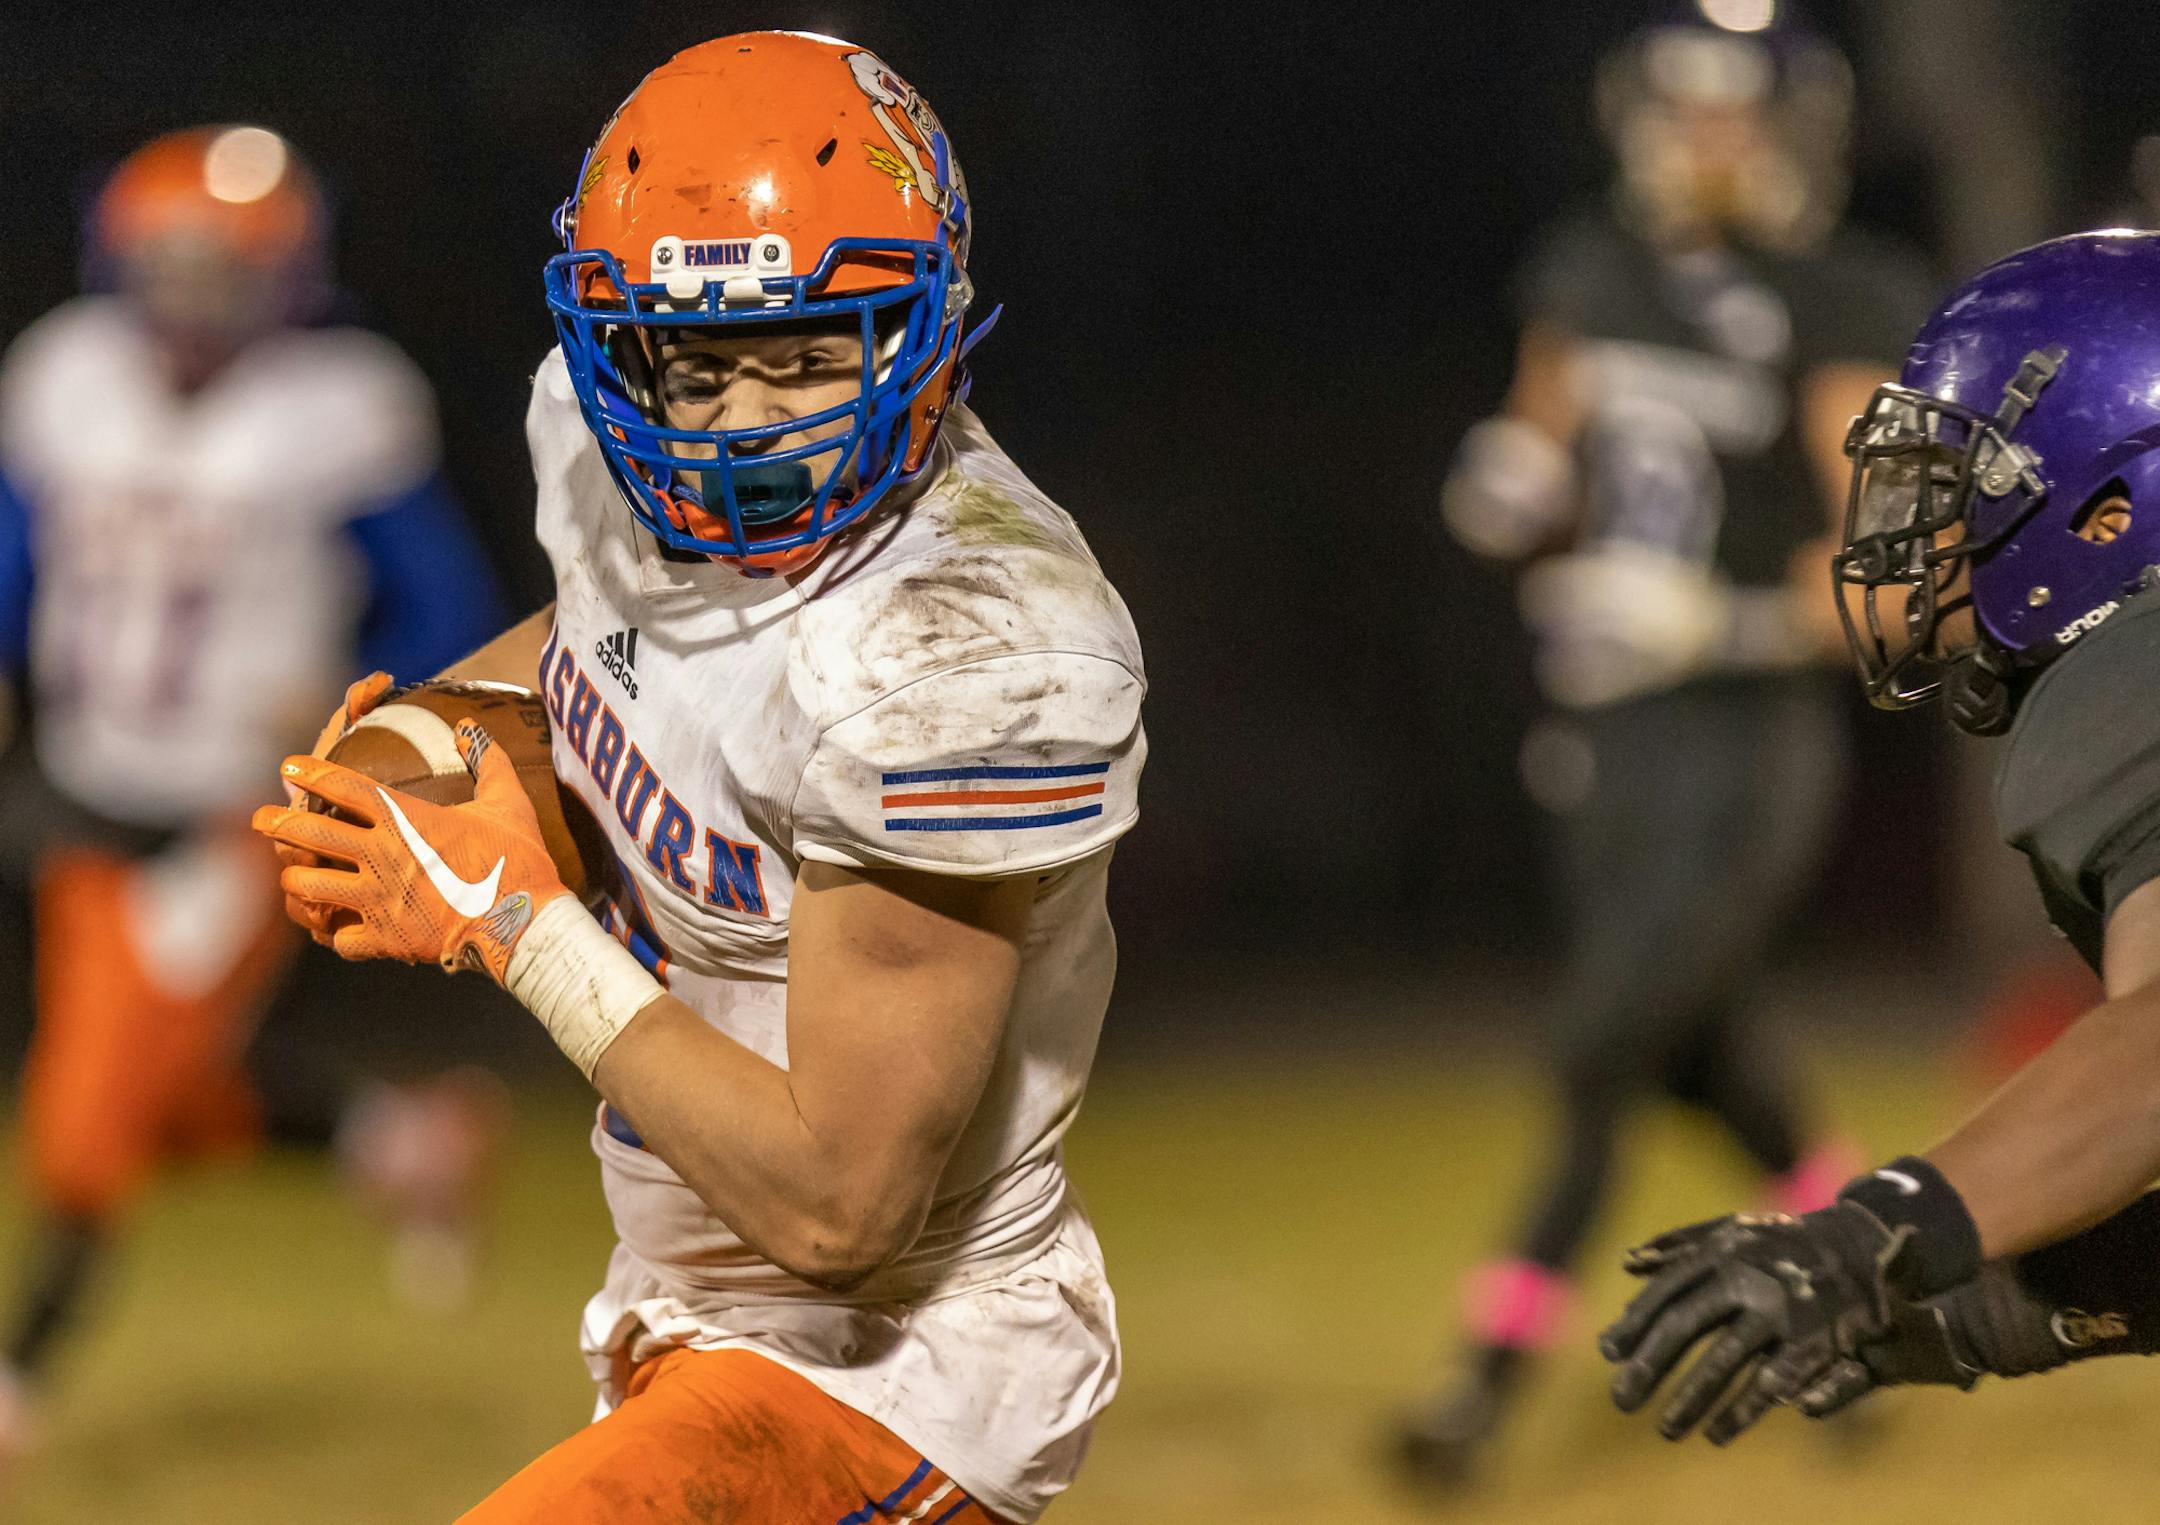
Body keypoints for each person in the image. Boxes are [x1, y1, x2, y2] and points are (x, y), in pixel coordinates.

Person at [252, 32, 1145, 1523]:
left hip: (893, 1361)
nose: (744, 425)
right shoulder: (606, 451)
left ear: (924, 327)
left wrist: (519, 922)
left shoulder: (965, 642)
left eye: (805, 355)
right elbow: (596, 647)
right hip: (691, 1308)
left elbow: (841, 1205)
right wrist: (426, 747)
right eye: (703, 362)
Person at [1400, 2, 1932, 1485]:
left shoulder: (1841, 292)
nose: (1708, 145)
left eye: (1736, 116)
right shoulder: (1591, 267)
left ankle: (1480, 1385)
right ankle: (1861, 1307)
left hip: (1750, 735)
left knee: (1602, 1041)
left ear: (1796, 133)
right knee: (1703, 1056)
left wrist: (1719, 620)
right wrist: (1512, 488)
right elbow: (1541, 453)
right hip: (1606, 734)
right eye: (1688, 113)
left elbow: (1879, 580)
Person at [1600, 229, 2160, 1442]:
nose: (1913, 533)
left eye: (1955, 487)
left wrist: (1877, 1233)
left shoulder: (2137, 677)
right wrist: (1974, 1314)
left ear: (2107, 512)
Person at [0, 124, 509, 1455]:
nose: (191, 299)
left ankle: (18, 1379)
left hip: (238, 811)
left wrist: (357, 693)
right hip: (85, 790)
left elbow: (449, 609)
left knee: (86, 1113)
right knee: (151, 1092)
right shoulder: (66, 378)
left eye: (222, 269)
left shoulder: (336, 410)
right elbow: (13, 557)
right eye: (170, 266)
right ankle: (402, 1142)